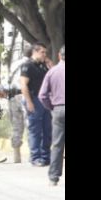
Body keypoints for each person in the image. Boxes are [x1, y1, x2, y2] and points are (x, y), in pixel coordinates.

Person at [20, 43, 52, 167]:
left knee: (47, 130)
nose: (45, 54)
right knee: (35, 130)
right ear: (35, 52)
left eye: (45, 52)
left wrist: (49, 63)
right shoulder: (28, 65)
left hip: (45, 100)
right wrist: (29, 102)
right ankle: (35, 157)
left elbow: (54, 74)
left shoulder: (44, 65)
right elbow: (23, 85)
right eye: (42, 52)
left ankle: (45, 156)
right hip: (34, 99)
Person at [39, 45, 65, 186]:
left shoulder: (52, 72)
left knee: (57, 144)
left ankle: (53, 177)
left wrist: (52, 108)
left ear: (60, 56)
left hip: (59, 110)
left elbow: (42, 95)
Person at [7, 46, 32, 163]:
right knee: (30, 125)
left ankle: (16, 154)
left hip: (13, 97)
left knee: (17, 126)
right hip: (25, 96)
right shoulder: (32, 65)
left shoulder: (15, 64)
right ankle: (33, 154)